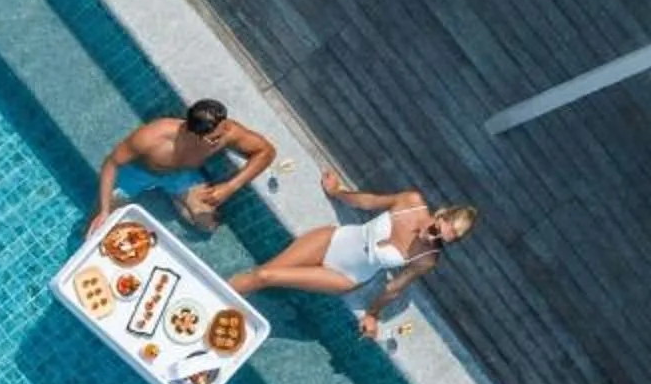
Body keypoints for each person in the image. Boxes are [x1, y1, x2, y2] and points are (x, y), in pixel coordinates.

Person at [231, 168, 477, 339]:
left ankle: (222, 305)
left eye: (442, 241)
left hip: (344, 276)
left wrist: (372, 314)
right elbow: (368, 202)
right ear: (440, 214)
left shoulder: (427, 259)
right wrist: (337, 191)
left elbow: (395, 287)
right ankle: (219, 298)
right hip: (333, 240)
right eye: (436, 230)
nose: (432, 238)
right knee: (261, 274)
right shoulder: (410, 201)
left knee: (267, 278)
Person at [89, 99, 275, 233]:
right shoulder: (152, 138)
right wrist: (105, 210)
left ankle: (175, 195)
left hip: (181, 176)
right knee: (99, 228)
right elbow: (111, 164)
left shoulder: (227, 131)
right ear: (194, 134)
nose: (225, 136)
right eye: (215, 138)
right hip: (140, 174)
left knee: (207, 226)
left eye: (225, 127)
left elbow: (266, 151)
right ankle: (175, 197)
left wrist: (231, 186)